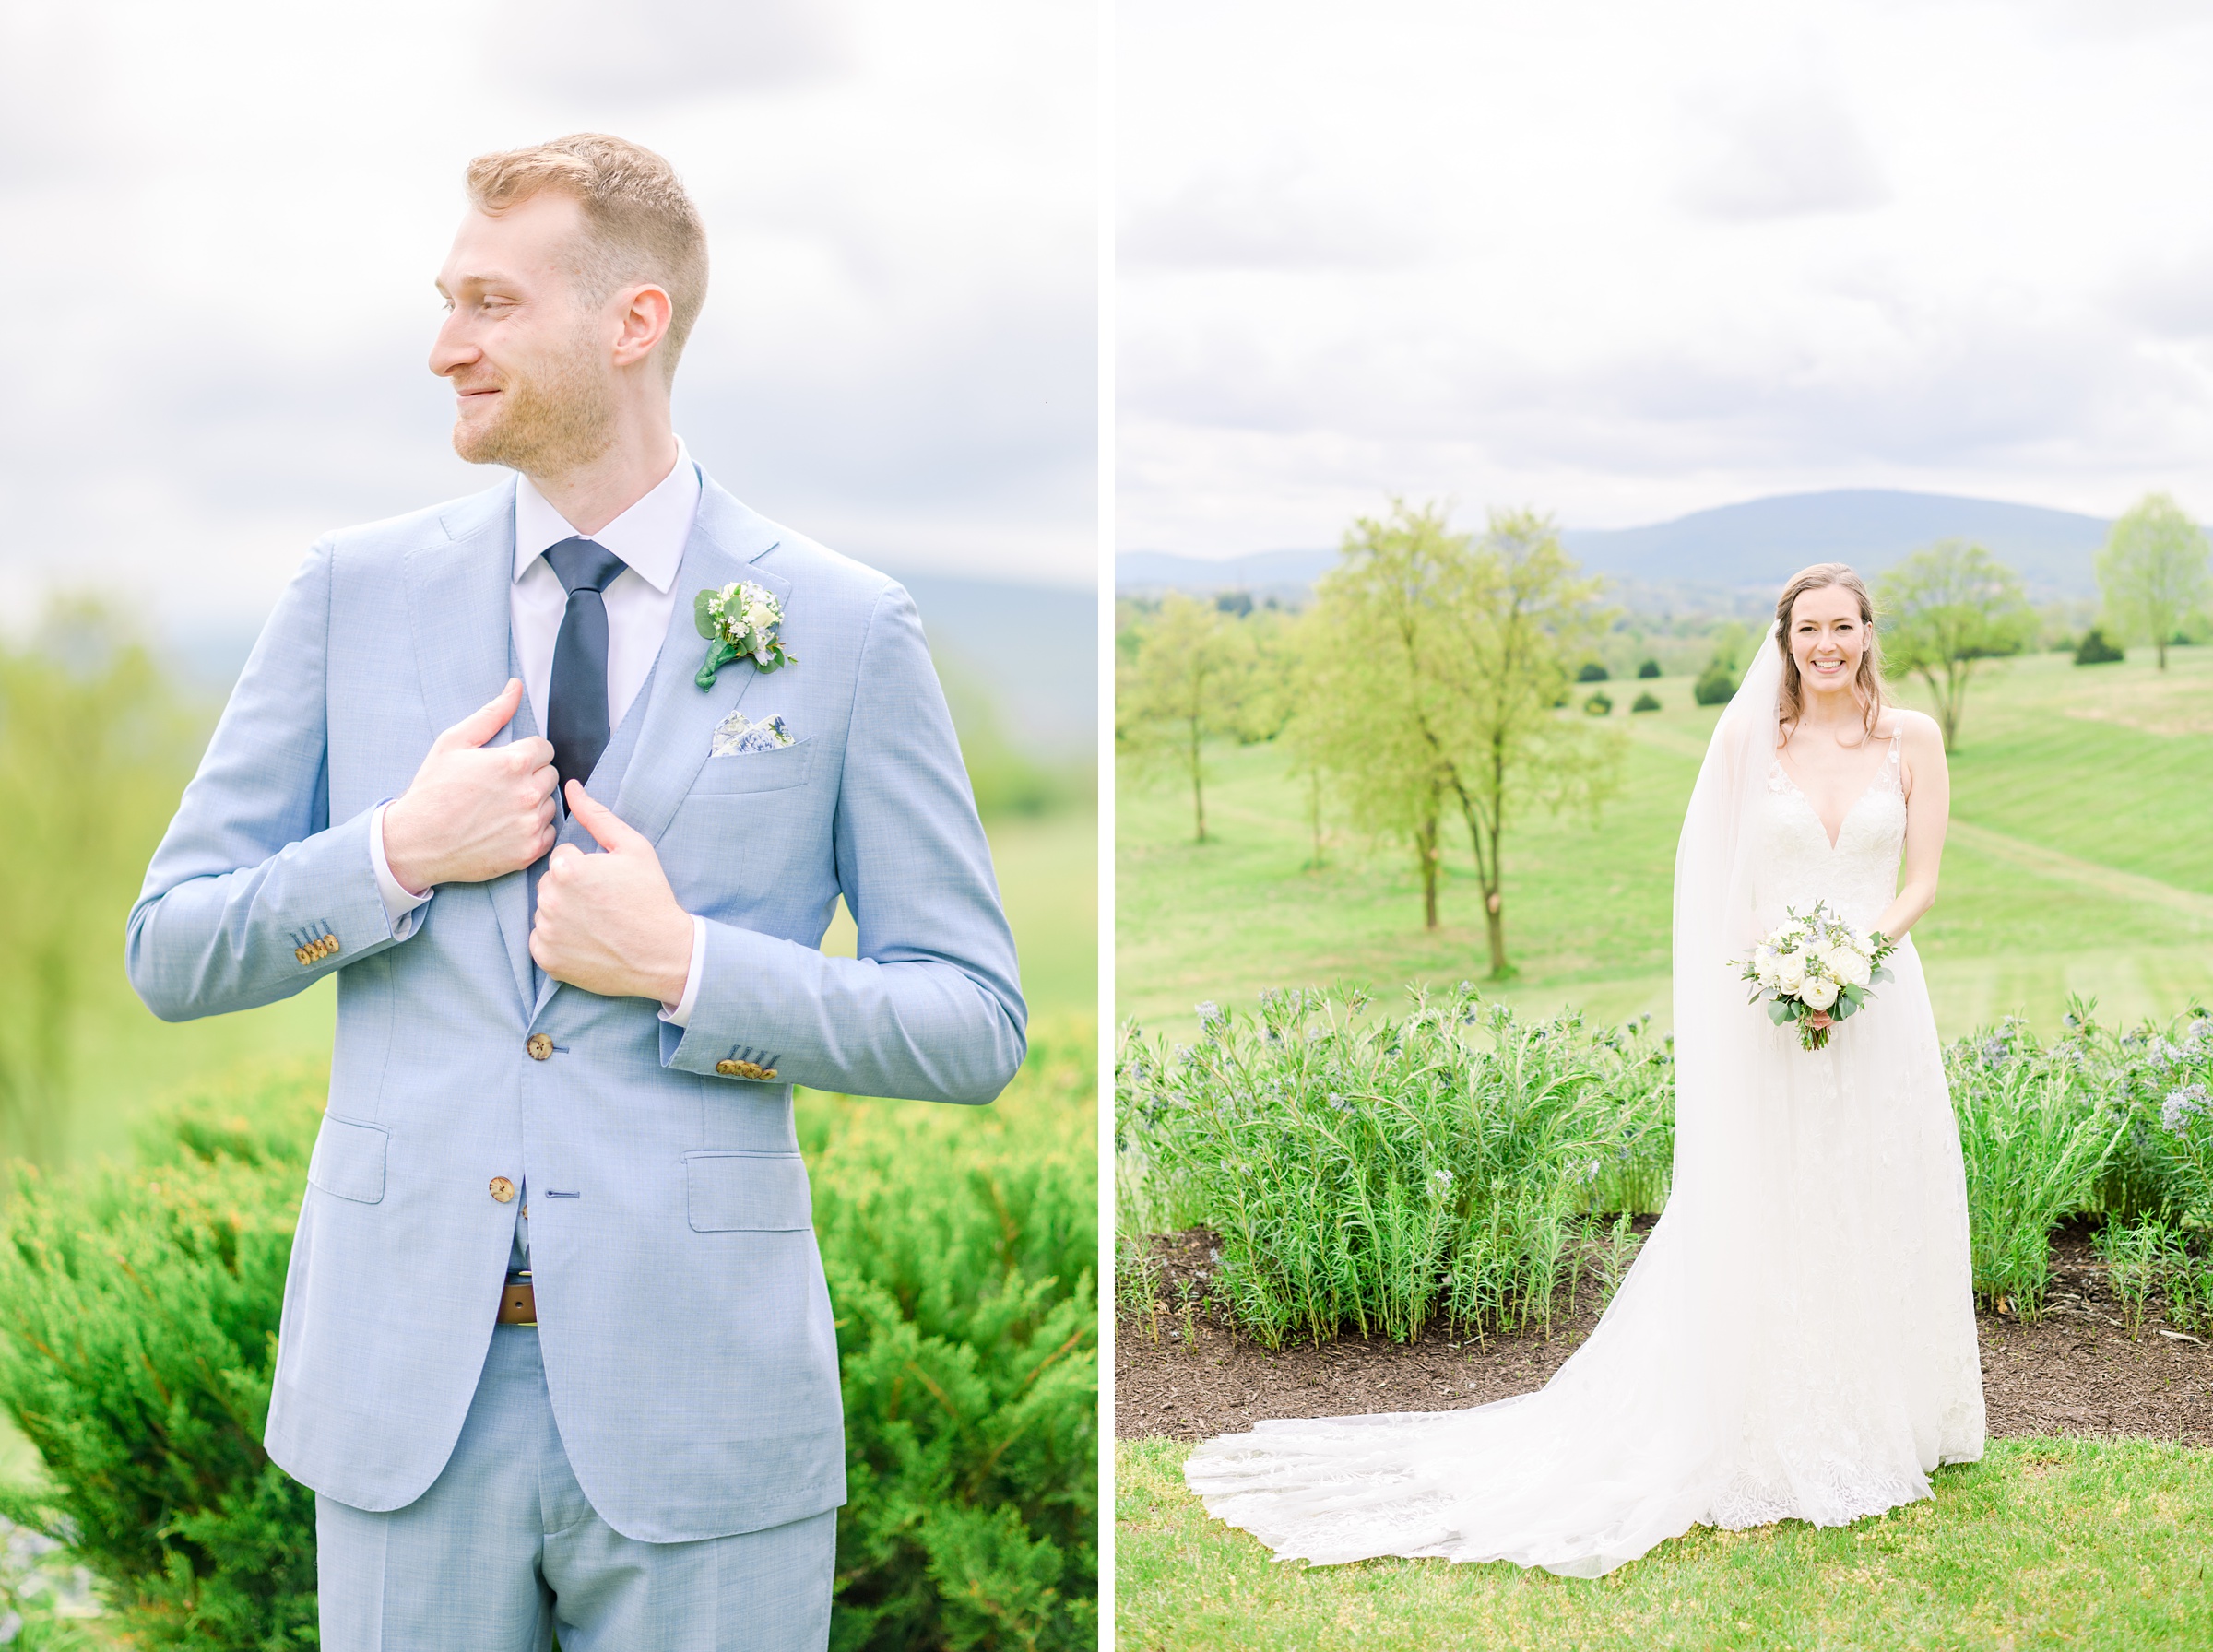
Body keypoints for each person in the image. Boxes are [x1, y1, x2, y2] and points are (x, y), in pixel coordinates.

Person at [126, 134, 1025, 1649]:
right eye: (443, 300)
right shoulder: (346, 592)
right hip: (408, 1407)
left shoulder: (845, 628)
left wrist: (690, 968)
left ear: (633, 321)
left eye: (488, 301)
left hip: (708, 1414)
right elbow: (171, 948)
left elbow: (974, 1019)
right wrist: (394, 852)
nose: (443, 346)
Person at [1182, 562, 1984, 1577]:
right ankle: (1773, 1416)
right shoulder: (1751, 739)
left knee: (1875, 1191)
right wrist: (1783, 974)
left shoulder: (1912, 738)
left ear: (1870, 633)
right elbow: (1720, 885)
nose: (1827, 645)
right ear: (1785, 640)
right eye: (1808, 628)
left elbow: (1922, 879)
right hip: (1770, 1002)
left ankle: (1896, 1416)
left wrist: (1855, 958)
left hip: (1880, 1003)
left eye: (1844, 626)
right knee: (1778, 1199)